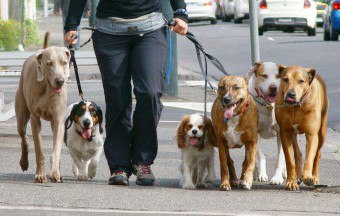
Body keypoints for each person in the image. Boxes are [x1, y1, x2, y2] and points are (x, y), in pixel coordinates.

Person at [64, 0, 188, 186]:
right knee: (117, 98)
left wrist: (180, 13)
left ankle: (142, 161)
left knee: (150, 92)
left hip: (150, 30)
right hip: (109, 32)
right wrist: (72, 24)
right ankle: (119, 166)